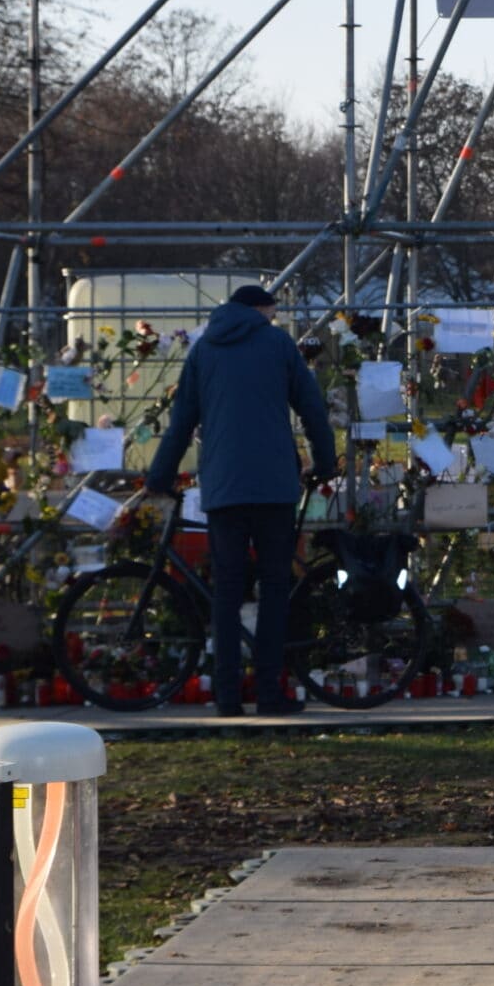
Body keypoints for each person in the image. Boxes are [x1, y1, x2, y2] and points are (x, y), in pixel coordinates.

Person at [143, 284, 338, 715]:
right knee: (273, 590)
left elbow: (181, 423)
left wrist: (159, 476)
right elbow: (312, 408)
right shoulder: (277, 343)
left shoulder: (203, 350)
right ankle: (269, 694)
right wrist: (325, 462)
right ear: (262, 309)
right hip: (274, 487)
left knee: (226, 595)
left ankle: (227, 697)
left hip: (224, 489)